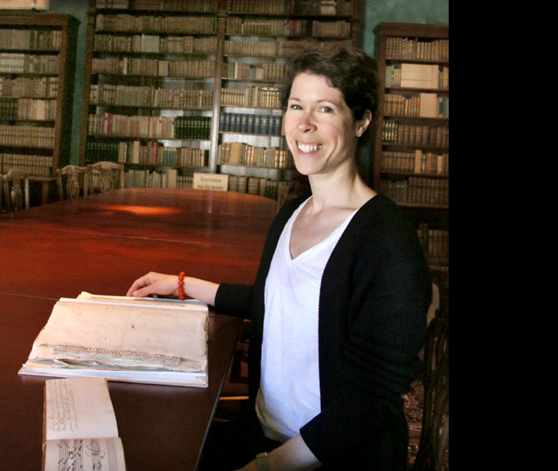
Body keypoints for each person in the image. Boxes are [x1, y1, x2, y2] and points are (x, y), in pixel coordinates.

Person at [126, 43, 432, 471]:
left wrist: (270, 466)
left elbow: (371, 403)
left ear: (361, 121)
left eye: (325, 109)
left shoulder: (386, 240)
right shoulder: (292, 212)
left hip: (332, 455)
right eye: (295, 106)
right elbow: (278, 303)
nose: (304, 125)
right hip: (262, 433)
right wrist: (182, 285)